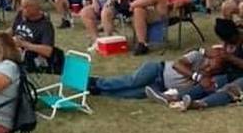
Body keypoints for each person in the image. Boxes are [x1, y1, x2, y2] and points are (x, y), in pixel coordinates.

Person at [88, 47, 225, 99]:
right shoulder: (197, 56)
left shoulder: (209, 78)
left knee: (131, 94)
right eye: (214, 64)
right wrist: (197, 76)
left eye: (216, 69)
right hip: (157, 70)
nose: (211, 68)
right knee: (132, 81)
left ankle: (99, 92)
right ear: (212, 57)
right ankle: (97, 82)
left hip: (161, 87)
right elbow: (178, 65)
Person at [11, 0, 56, 72]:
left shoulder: (45, 25)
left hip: (31, 56)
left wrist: (23, 44)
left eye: (25, 7)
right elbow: (12, 30)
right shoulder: (20, 14)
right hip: (14, 49)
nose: (22, 9)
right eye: (22, 6)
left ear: (34, 8)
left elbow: (48, 51)